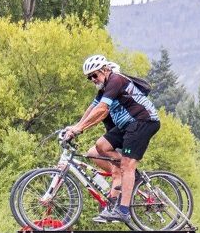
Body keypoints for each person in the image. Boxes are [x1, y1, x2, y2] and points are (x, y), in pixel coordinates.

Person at [61, 54, 161, 223]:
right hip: (128, 125)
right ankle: (131, 173)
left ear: (105, 70)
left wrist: (79, 129)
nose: (92, 79)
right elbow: (92, 108)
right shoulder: (104, 88)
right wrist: (75, 126)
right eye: (89, 77)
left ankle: (123, 211)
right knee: (100, 146)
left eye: (95, 75)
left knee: (127, 164)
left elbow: (101, 110)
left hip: (143, 122)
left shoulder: (115, 80)